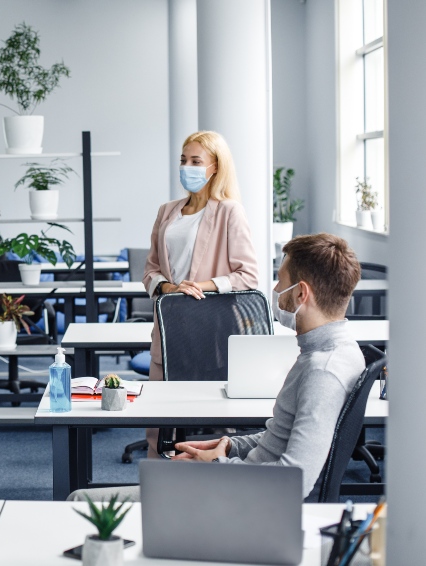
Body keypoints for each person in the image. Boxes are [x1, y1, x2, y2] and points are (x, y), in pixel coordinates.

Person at [69, 233, 364, 502]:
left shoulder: (322, 371)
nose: (275, 289)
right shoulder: (336, 351)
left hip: (238, 501)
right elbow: (283, 437)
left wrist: (215, 466)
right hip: (237, 483)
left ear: (302, 294)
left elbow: (295, 480)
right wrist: (228, 445)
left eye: (280, 281)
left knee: (80, 502)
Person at [141, 130, 259, 457]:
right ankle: (159, 475)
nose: (187, 167)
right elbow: (150, 269)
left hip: (212, 326)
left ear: (215, 167)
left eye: (196, 161)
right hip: (170, 324)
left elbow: (248, 275)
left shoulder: (228, 212)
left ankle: (215, 476)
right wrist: (168, 287)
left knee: (212, 416)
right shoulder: (167, 212)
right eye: (183, 160)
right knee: (160, 413)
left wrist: (202, 286)